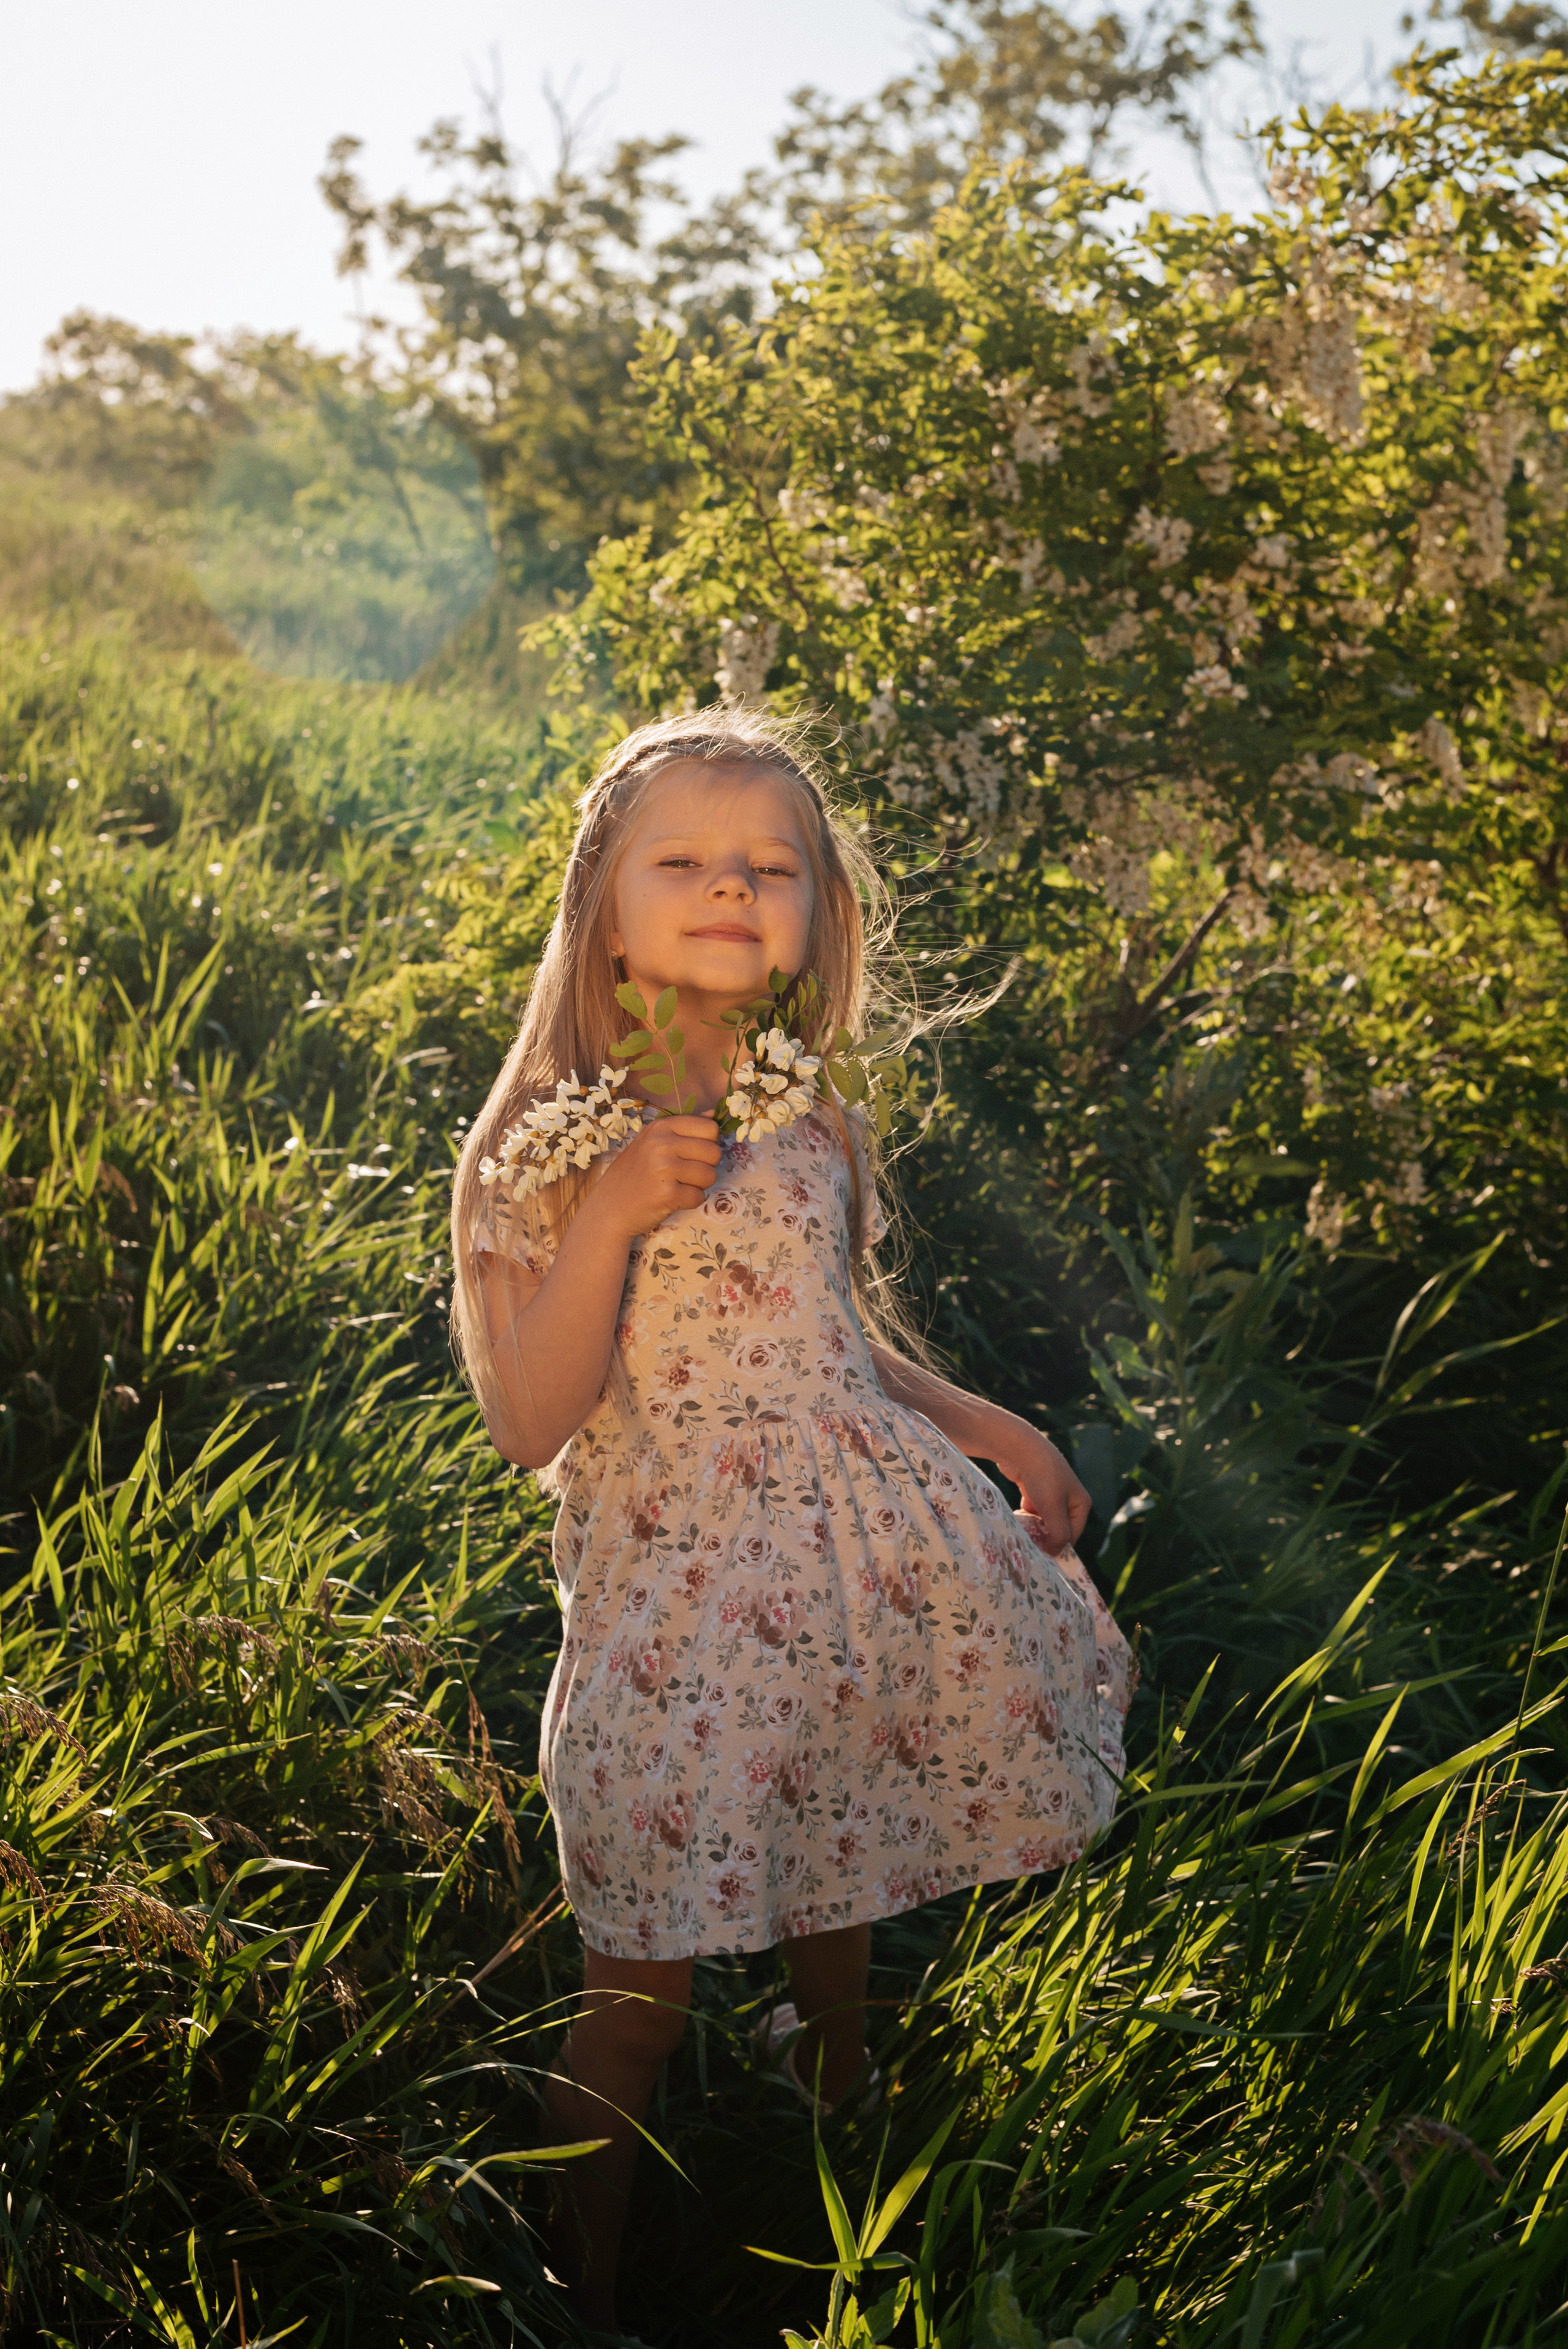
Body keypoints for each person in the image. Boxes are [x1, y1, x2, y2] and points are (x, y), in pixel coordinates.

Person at [449, 710, 1134, 2335]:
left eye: (768, 864)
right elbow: (528, 1420)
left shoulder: (809, 1107)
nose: (728, 888)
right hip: (672, 1610)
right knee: (637, 1988)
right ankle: (579, 2282)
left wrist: (993, 1427)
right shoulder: (545, 1132)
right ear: (601, 898)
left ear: (821, 903)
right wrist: (611, 1206)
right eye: (681, 859)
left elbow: (833, 1336)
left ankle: (841, 2092)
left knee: (837, 1871)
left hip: (836, 1578)